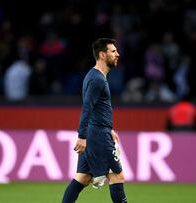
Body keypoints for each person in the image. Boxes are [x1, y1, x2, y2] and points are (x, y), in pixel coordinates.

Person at [62, 38, 127, 203]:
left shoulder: (95, 76)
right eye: (113, 51)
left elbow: (96, 108)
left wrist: (109, 129)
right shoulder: (97, 79)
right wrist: (82, 136)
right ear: (102, 55)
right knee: (117, 176)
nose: (117, 54)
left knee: (82, 178)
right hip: (97, 135)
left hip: (96, 131)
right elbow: (87, 108)